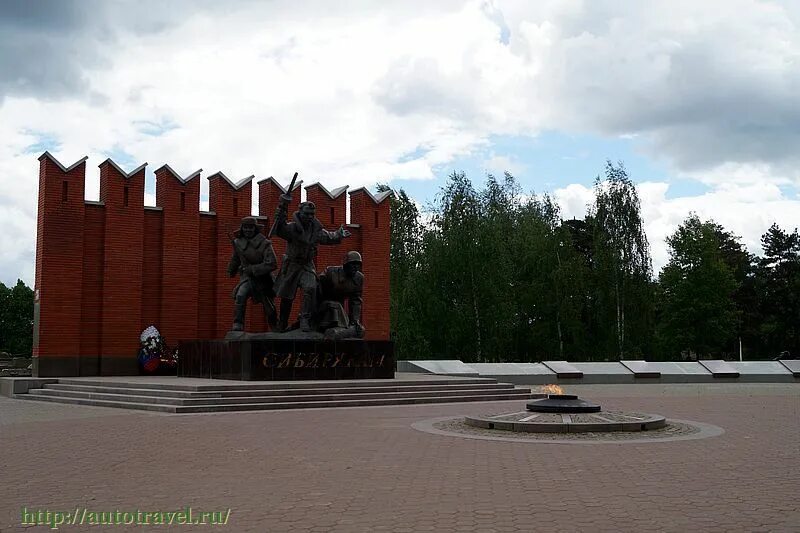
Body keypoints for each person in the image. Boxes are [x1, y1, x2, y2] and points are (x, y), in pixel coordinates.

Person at [272, 200, 350, 331]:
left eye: (312, 214)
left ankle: (305, 319)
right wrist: (281, 214)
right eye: (307, 214)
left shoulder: (316, 229)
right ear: (300, 212)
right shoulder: (292, 228)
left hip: (307, 265)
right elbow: (280, 230)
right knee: (287, 296)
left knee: (310, 288)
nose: (310, 217)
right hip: (292, 265)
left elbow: (328, 237)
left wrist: (338, 234)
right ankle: (282, 322)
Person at [226, 216, 277, 331]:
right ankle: (238, 323)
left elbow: (272, 263)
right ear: (242, 228)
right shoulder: (238, 243)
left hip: (263, 280)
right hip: (247, 278)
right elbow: (236, 258)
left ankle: (275, 326)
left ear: (255, 229)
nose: (248, 230)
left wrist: (253, 269)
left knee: (269, 306)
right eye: (245, 228)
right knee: (240, 295)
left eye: (250, 228)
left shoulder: (265, 243)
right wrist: (231, 269)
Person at [315, 250, 365, 339]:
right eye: (353, 264)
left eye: (358, 264)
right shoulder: (330, 272)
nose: (356, 267)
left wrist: (355, 321)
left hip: (339, 308)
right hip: (323, 304)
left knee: (359, 329)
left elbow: (356, 301)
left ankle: (345, 330)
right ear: (345, 265)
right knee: (334, 305)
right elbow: (316, 290)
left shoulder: (359, 278)